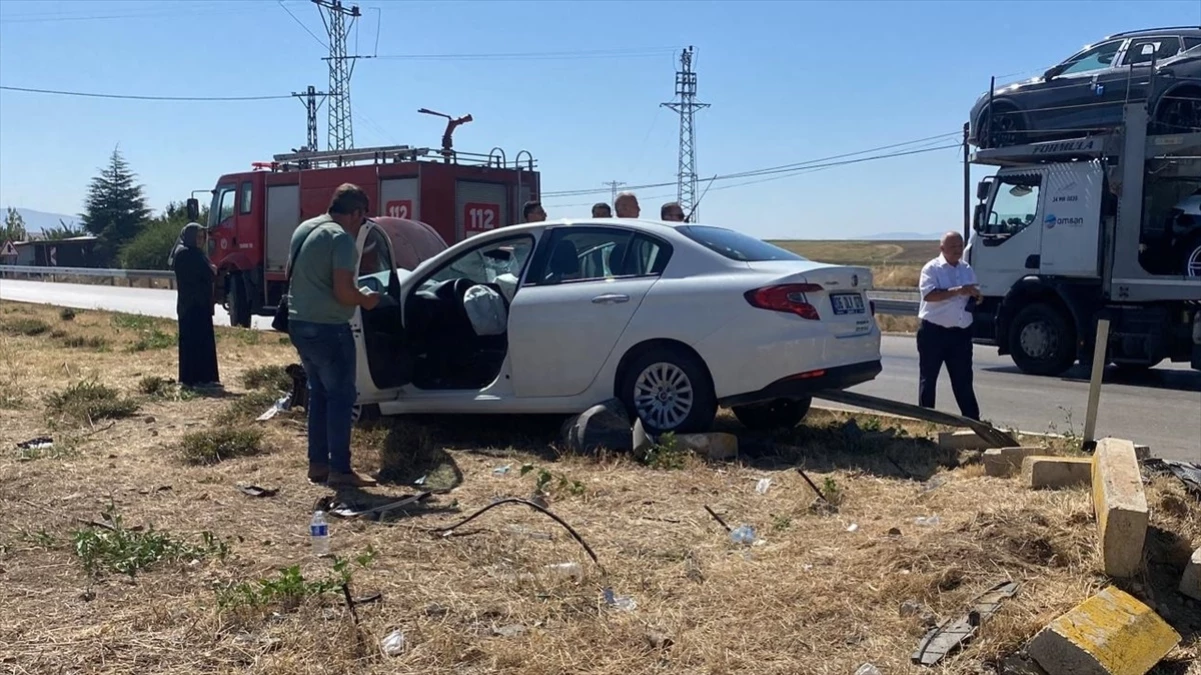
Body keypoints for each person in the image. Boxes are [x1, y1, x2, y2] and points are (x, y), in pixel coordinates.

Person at [287, 183, 381, 488]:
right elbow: (343, 292)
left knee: (319, 394)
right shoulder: (340, 239)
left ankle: (318, 464)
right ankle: (340, 468)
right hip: (329, 328)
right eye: (362, 218)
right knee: (341, 397)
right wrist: (366, 299)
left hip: (299, 324)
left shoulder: (306, 228)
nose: (361, 224)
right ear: (355, 213)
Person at [917, 231, 982, 421]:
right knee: (928, 381)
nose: (957, 250)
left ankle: (973, 423)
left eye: (960, 246)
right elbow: (929, 295)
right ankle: (927, 423)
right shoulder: (931, 269)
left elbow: (973, 292)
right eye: (953, 247)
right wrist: (957, 291)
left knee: (963, 381)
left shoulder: (966, 268)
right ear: (942, 248)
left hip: (960, 334)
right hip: (934, 333)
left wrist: (976, 297)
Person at [169, 222, 220, 388]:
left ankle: (205, 378)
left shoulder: (193, 253)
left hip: (198, 305)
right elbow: (208, 272)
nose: (200, 240)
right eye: (197, 237)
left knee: (202, 342)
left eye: (202, 237)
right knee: (194, 344)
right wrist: (211, 270)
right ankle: (195, 379)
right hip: (192, 306)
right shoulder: (186, 253)